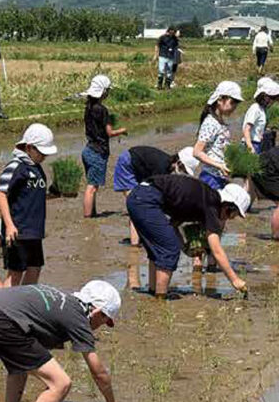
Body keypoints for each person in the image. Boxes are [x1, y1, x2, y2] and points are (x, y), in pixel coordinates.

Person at [0, 281, 122, 402]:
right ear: (98, 311)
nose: (102, 326)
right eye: (105, 321)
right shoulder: (78, 316)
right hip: (2, 319)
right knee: (61, 383)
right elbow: (99, 373)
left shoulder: (64, 301)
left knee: (22, 364)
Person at [125, 175, 250, 299]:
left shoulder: (202, 199)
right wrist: (235, 279)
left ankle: (154, 291)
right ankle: (160, 299)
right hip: (146, 200)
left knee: (159, 249)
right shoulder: (212, 204)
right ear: (227, 205)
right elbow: (217, 251)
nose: (228, 218)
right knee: (169, 248)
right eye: (230, 214)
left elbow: (173, 225)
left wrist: (185, 247)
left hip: (139, 196)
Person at [114, 146, 199, 288]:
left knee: (140, 205)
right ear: (178, 163)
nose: (182, 173)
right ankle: (135, 245)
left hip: (137, 166)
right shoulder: (161, 168)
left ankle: (138, 240)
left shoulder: (167, 167)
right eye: (183, 170)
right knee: (135, 205)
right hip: (127, 163)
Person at [0, 124, 56, 287]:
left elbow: (33, 195)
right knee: (15, 273)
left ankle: (23, 302)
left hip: (34, 230)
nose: (45, 156)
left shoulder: (36, 167)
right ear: (29, 147)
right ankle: (4, 308)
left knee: (35, 268)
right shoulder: (15, 167)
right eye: (42, 152)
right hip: (18, 231)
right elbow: (2, 194)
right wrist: (9, 225)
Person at [81, 75, 126, 219]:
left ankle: (92, 213)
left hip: (88, 150)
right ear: (104, 92)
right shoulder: (102, 110)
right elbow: (109, 132)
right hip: (98, 152)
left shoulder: (88, 107)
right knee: (92, 187)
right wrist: (122, 130)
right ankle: (88, 219)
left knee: (92, 185)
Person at [194, 81, 243, 190]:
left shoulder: (220, 122)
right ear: (220, 100)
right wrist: (219, 165)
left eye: (237, 103)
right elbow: (197, 152)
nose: (235, 106)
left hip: (220, 176)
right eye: (233, 102)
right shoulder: (210, 123)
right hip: (210, 178)